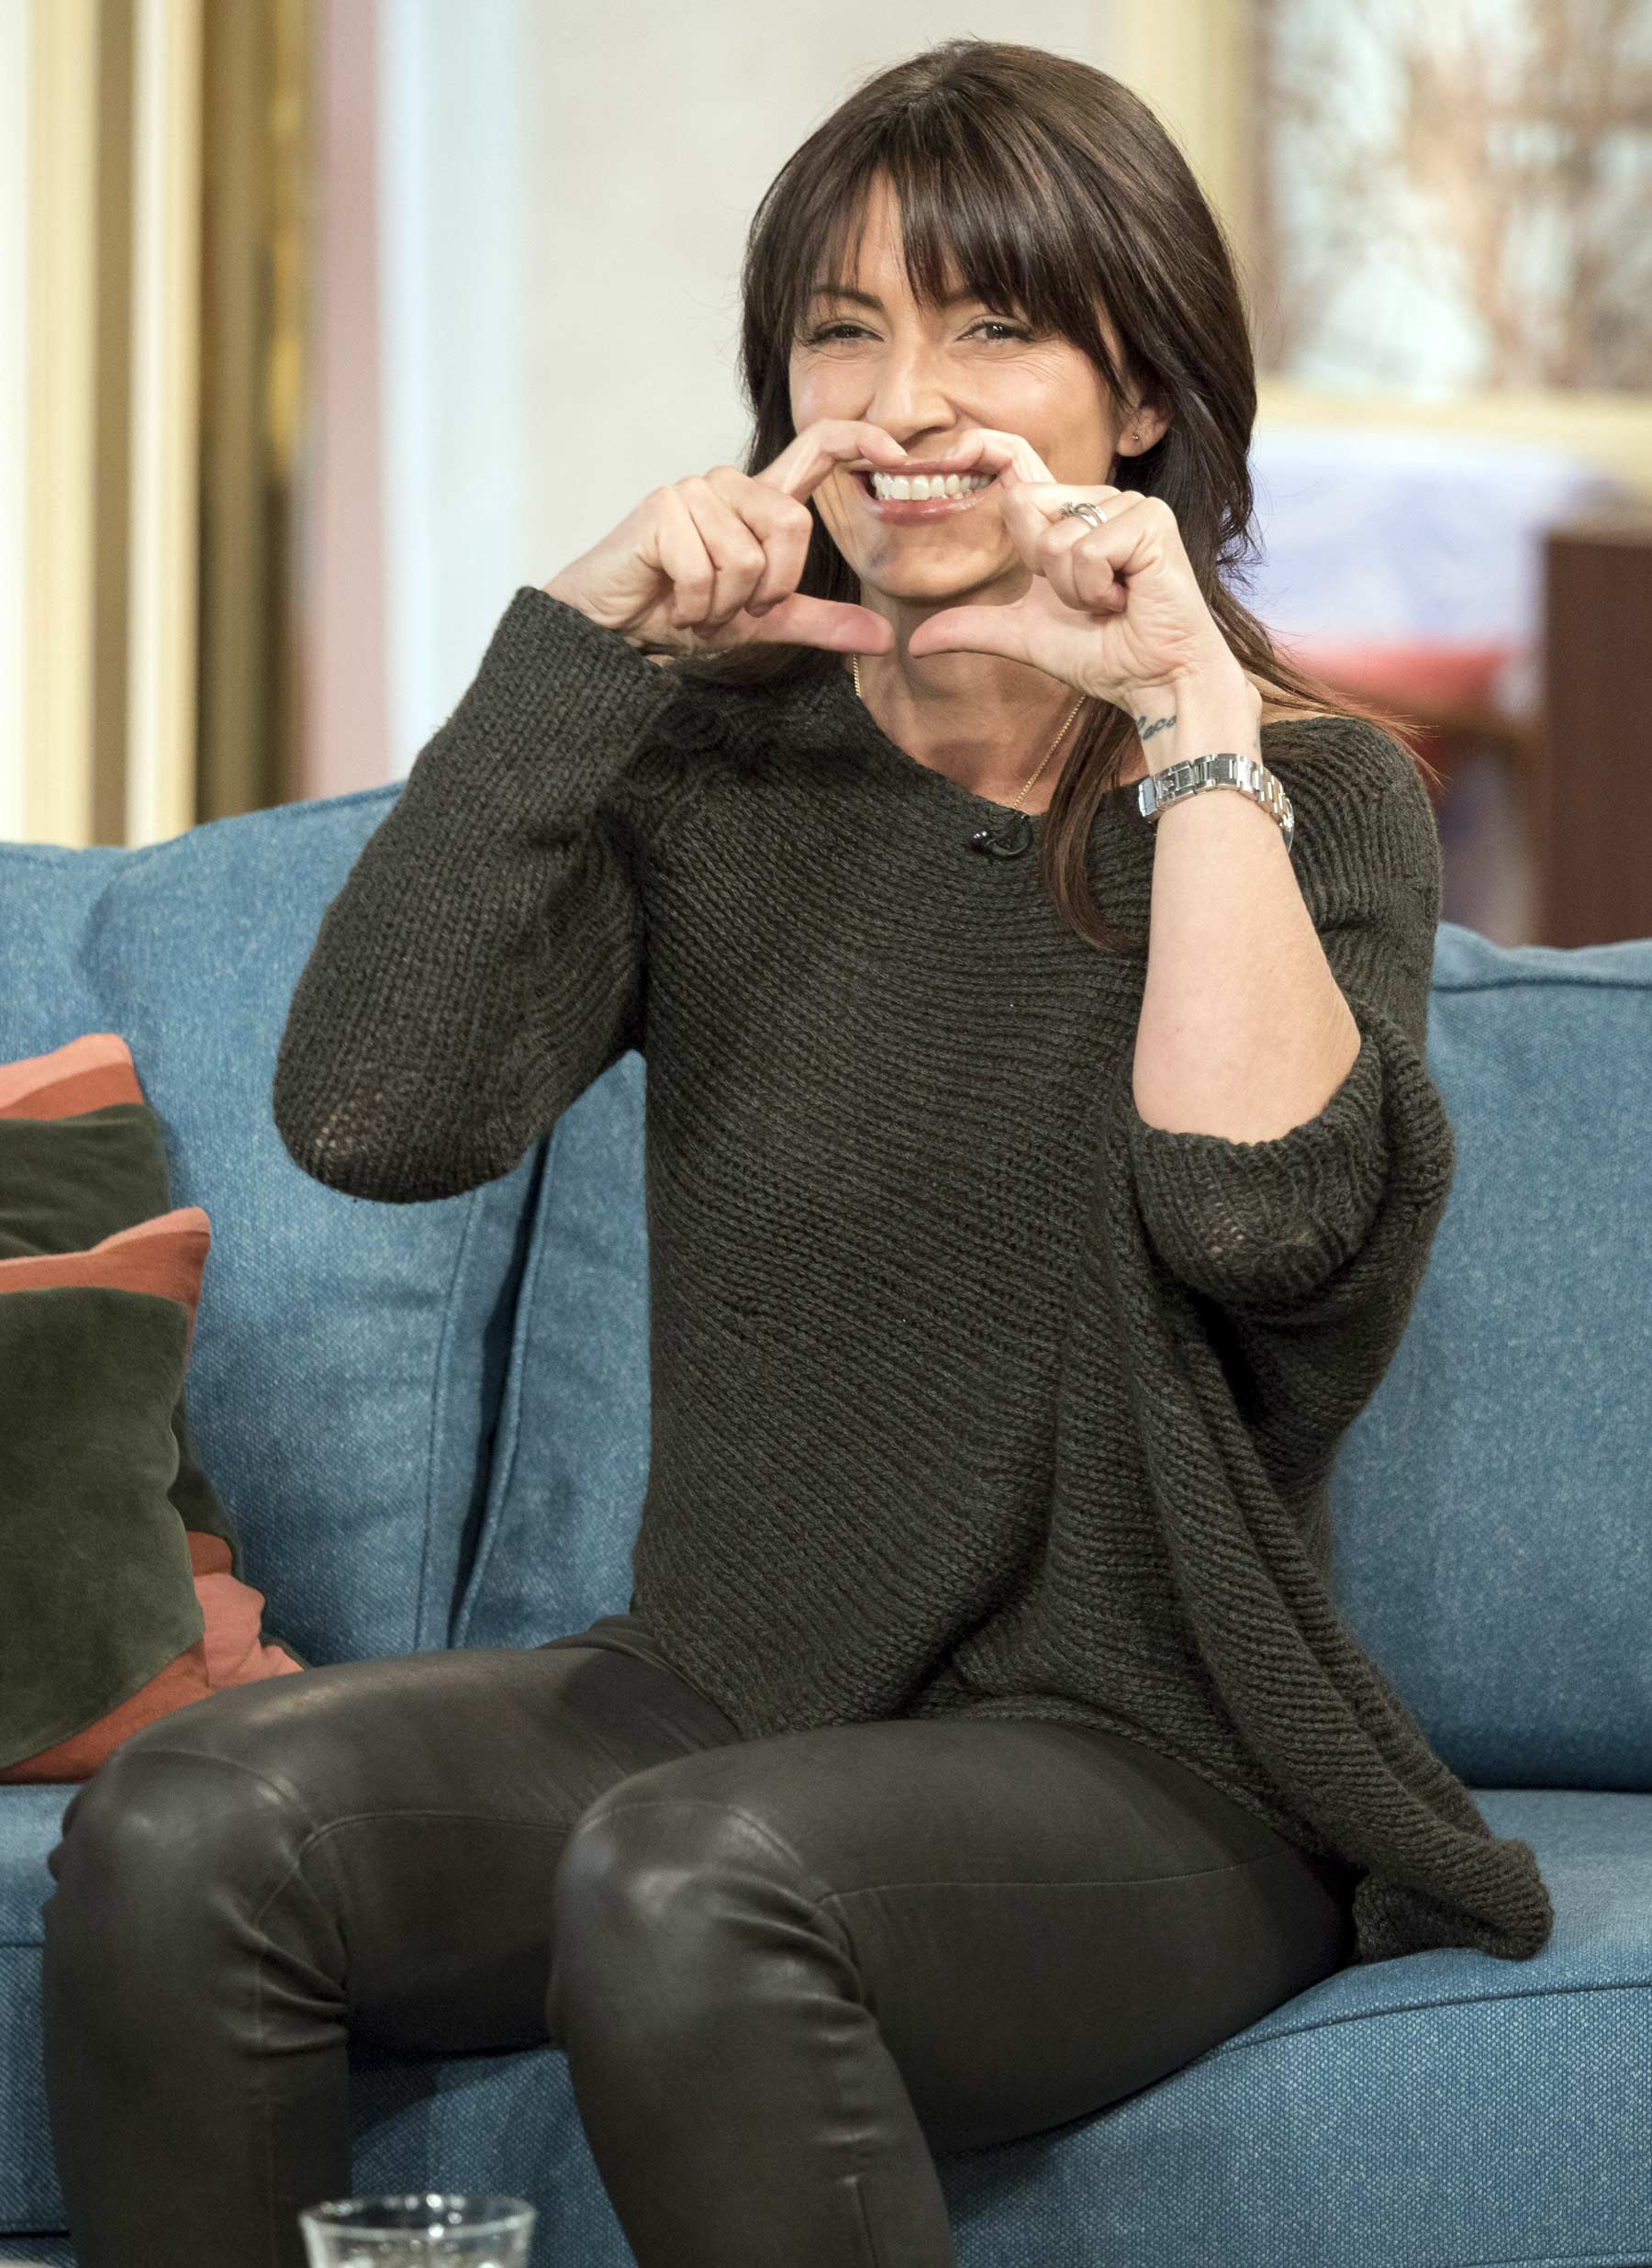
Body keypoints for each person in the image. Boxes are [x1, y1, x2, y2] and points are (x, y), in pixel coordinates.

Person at [39, 36, 1552, 2268]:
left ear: (1142, 395)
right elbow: (370, 1117)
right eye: (846, 332)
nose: (907, 398)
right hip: (718, 1690)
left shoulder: (1300, 791)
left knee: (697, 1883)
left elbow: (1260, 1222)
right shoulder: (722, 761)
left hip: (1153, 1762)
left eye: (992, 326)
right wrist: (578, 652)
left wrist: (1185, 720)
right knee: (192, 1824)